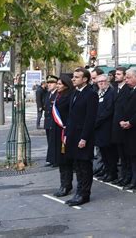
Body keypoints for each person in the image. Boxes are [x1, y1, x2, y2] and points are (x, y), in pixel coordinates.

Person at [62, 68, 99, 206]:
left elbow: (90, 118)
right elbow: (71, 116)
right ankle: (79, 192)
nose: (73, 79)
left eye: (77, 77)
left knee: (84, 165)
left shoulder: (91, 94)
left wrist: (84, 138)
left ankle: (84, 194)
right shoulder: (75, 93)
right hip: (72, 135)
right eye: (73, 77)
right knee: (77, 165)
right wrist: (66, 135)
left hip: (83, 137)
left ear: (85, 79)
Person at [51, 75, 74, 198]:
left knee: (65, 160)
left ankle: (66, 185)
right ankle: (62, 183)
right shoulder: (58, 96)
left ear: (66, 85)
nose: (57, 86)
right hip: (57, 130)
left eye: (60, 84)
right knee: (60, 160)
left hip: (64, 131)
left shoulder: (69, 96)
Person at [109, 67, 132, 186]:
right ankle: (123, 175)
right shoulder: (115, 89)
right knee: (121, 154)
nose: (116, 76)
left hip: (124, 126)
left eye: (119, 74)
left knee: (126, 154)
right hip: (116, 126)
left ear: (124, 76)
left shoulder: (128, 89)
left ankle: (128, 176)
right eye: (116, 74)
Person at [94, 74, 117, 183]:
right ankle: (106, 171)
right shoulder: (98, 93)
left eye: (103, 81)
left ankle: (112, 173)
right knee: (103, 152)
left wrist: (97, 120)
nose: (101, 83)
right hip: (98, 128)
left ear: (108, 81)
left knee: (109, 152)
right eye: (99, 82)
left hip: (107, 127)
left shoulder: (111, 93)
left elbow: (109, 110)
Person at [44, 75, 58, 166]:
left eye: (51, 83)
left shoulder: (58, 94)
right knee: (50, 141)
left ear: (56, 84)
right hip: (48, 121)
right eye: (48, 83)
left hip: (54, 122)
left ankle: (56, 160)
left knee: (55, 142)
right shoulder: (48, 94)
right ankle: (51, 159)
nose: (49, 85)